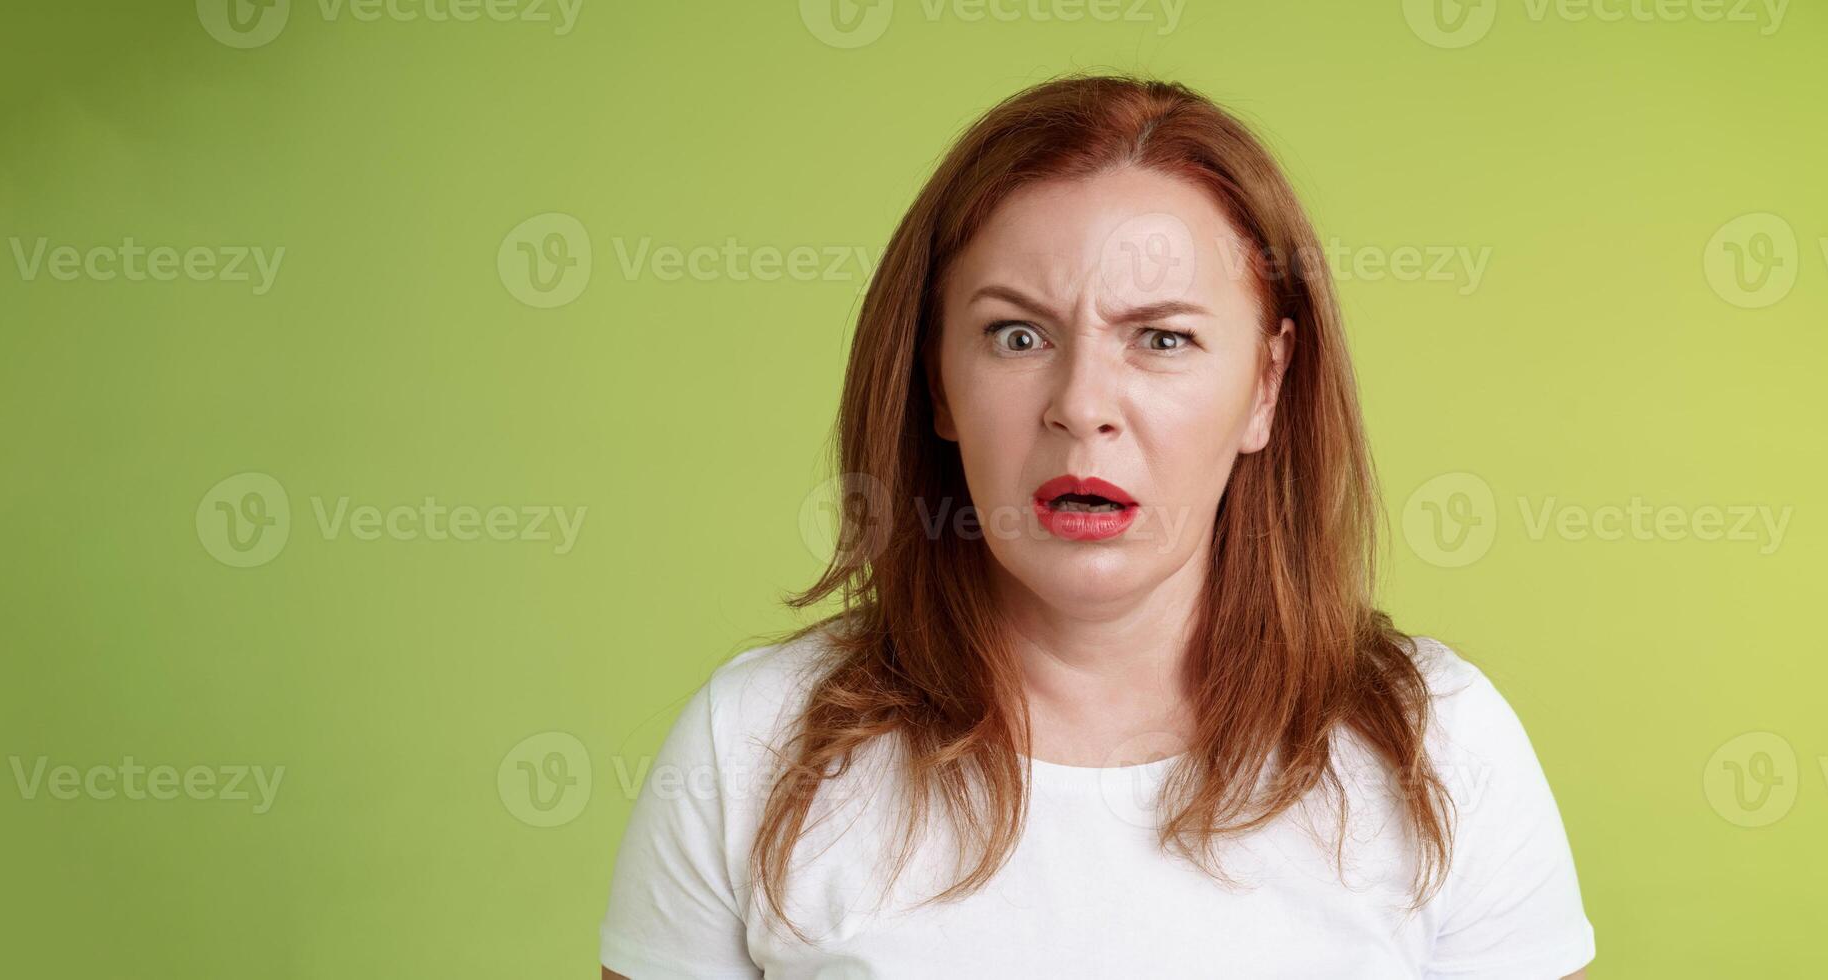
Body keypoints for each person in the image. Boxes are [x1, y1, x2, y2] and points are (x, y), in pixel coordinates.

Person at [600, 73, 1592, 979]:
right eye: (1016, 335)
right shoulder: (751, 745)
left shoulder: (1441, 747)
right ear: (936, 380)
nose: (1081, 404)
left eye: (1160, 338)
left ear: (1266, 384)